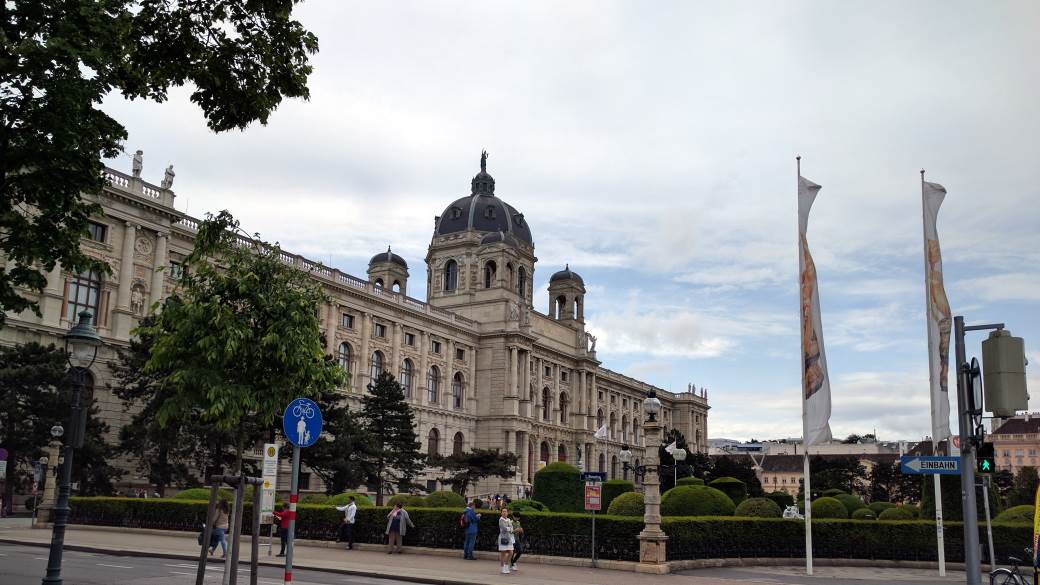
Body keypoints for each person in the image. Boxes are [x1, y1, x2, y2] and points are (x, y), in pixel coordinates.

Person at [497, 507, 514, 574]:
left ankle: (506, 565)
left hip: (509, 538)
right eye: (503, 511)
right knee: (503, 553)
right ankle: (502, 567)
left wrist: (509, 528)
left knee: (511, 552)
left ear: (507, 512)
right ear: (501, 513)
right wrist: (509, 528)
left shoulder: (509, 519)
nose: (504, 512)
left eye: (505, 511)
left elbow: (512, 528)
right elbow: (503, 528)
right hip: (503, 538)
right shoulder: (501, 520)